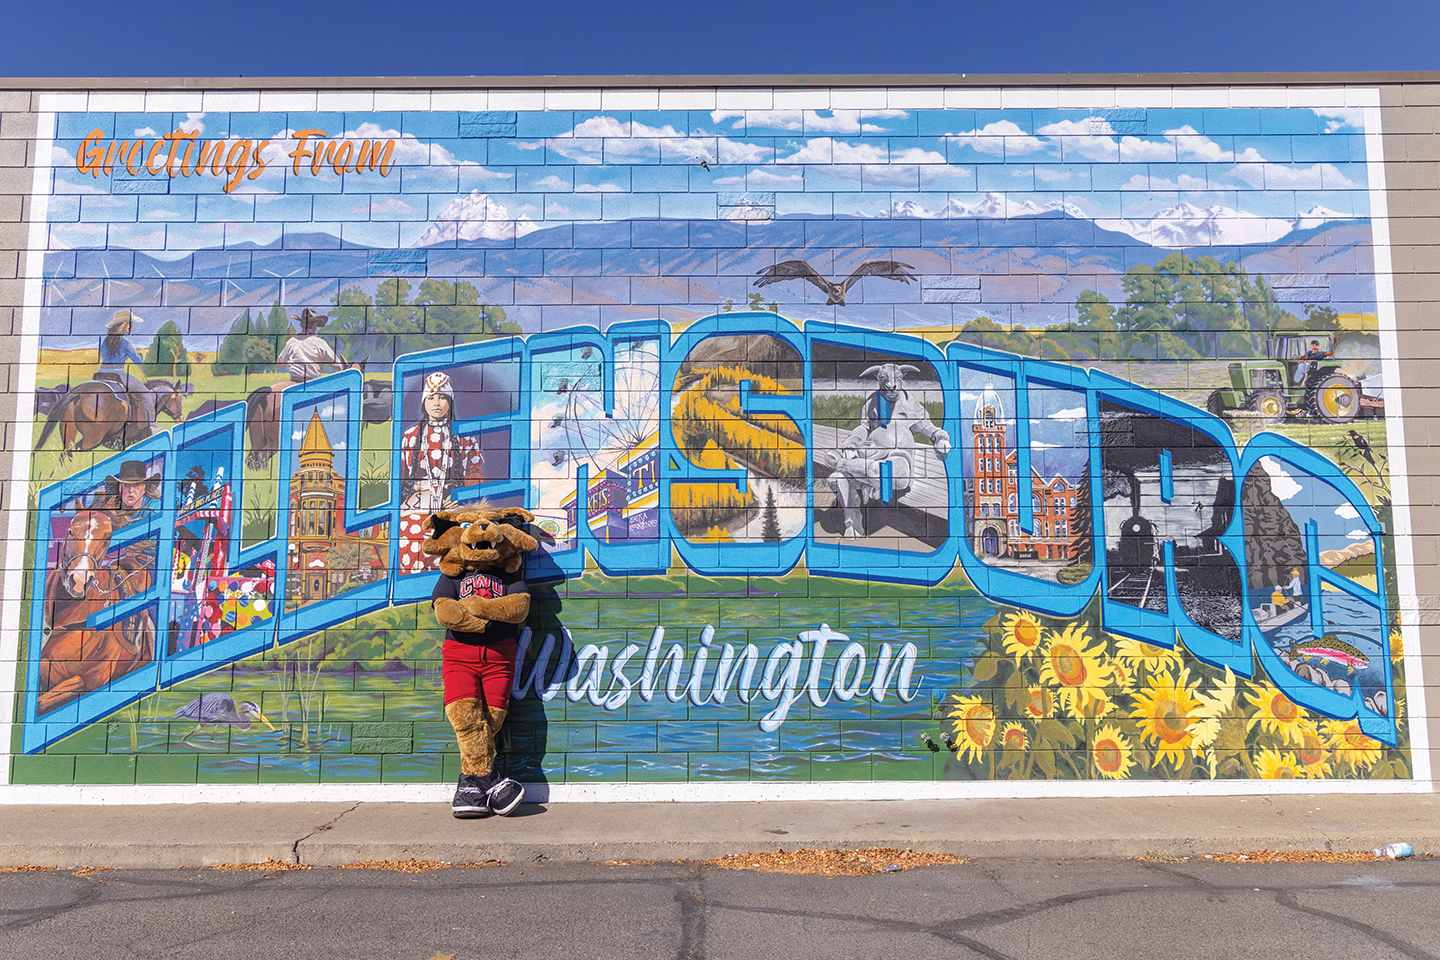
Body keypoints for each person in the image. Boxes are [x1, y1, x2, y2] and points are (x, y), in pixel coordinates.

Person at [826, 363, 951, 538]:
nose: (890, 384)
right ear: (878, 379)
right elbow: (864, 427)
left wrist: (940, 437)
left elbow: (927, 426)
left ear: (901, 380)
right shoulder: (872, 403)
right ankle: (852, 522)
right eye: (883, 378)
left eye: (896, 378)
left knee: (880, 471)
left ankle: (842, 464)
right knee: (838, 478)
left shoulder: (910, 403)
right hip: (872, 455)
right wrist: (852, 441)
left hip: (899, 459)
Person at [399, 372, 485, 575]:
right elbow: (400, 479)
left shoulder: (465, 437)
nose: (436, 403)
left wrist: (460, 497)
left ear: (450, 401)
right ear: (424, 402)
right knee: (410, 532)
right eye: (431, 397)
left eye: (442, 397)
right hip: (416, 504)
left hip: (453, 505)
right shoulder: (409, 438)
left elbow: (476, 473)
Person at [95, 310, 156, 427]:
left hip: (101, 373)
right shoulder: (126, 343)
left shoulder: (105, 342)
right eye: (130, 323)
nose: (132, 326)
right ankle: (150, 426)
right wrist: (141, 356)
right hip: (118, 375)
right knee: (145, 394)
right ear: (124, 325)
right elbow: (138, 362)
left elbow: (103, 356)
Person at [275, 308, 342, 384]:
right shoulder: (320, 343)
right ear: (315, 325)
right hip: (312, 383)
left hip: (294, 382)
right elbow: (338, 365)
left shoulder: (291, 341)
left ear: (301, 325)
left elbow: (280, 363)